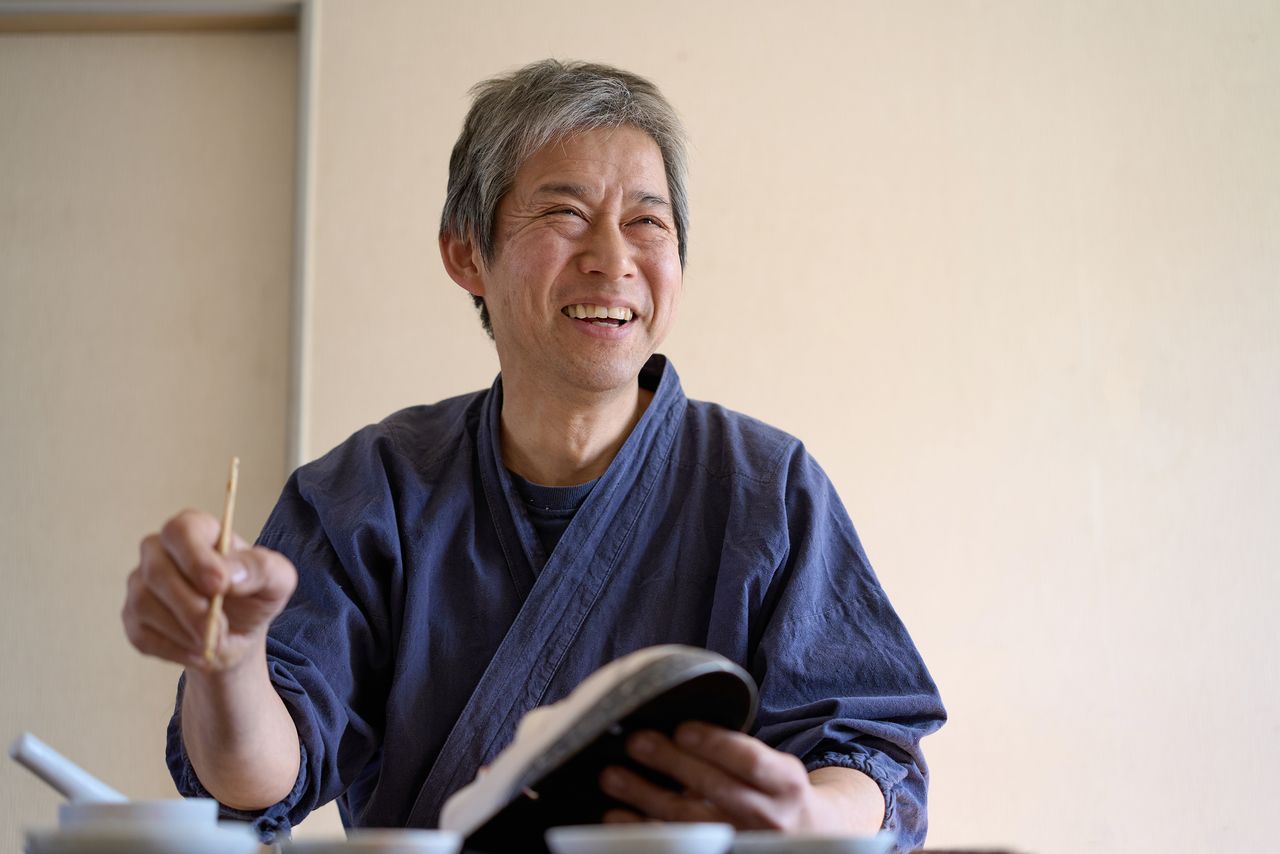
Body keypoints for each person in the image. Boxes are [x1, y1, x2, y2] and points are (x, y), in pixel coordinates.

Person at [121, 60, 946, 849]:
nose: (613, 259)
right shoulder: (368, 489)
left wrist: (806, 815)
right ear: (465, 254)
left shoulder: (766, 487)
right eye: (564, 214)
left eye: (646, 221)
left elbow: (870, 753)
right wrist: (229, 665)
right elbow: (254, 781)